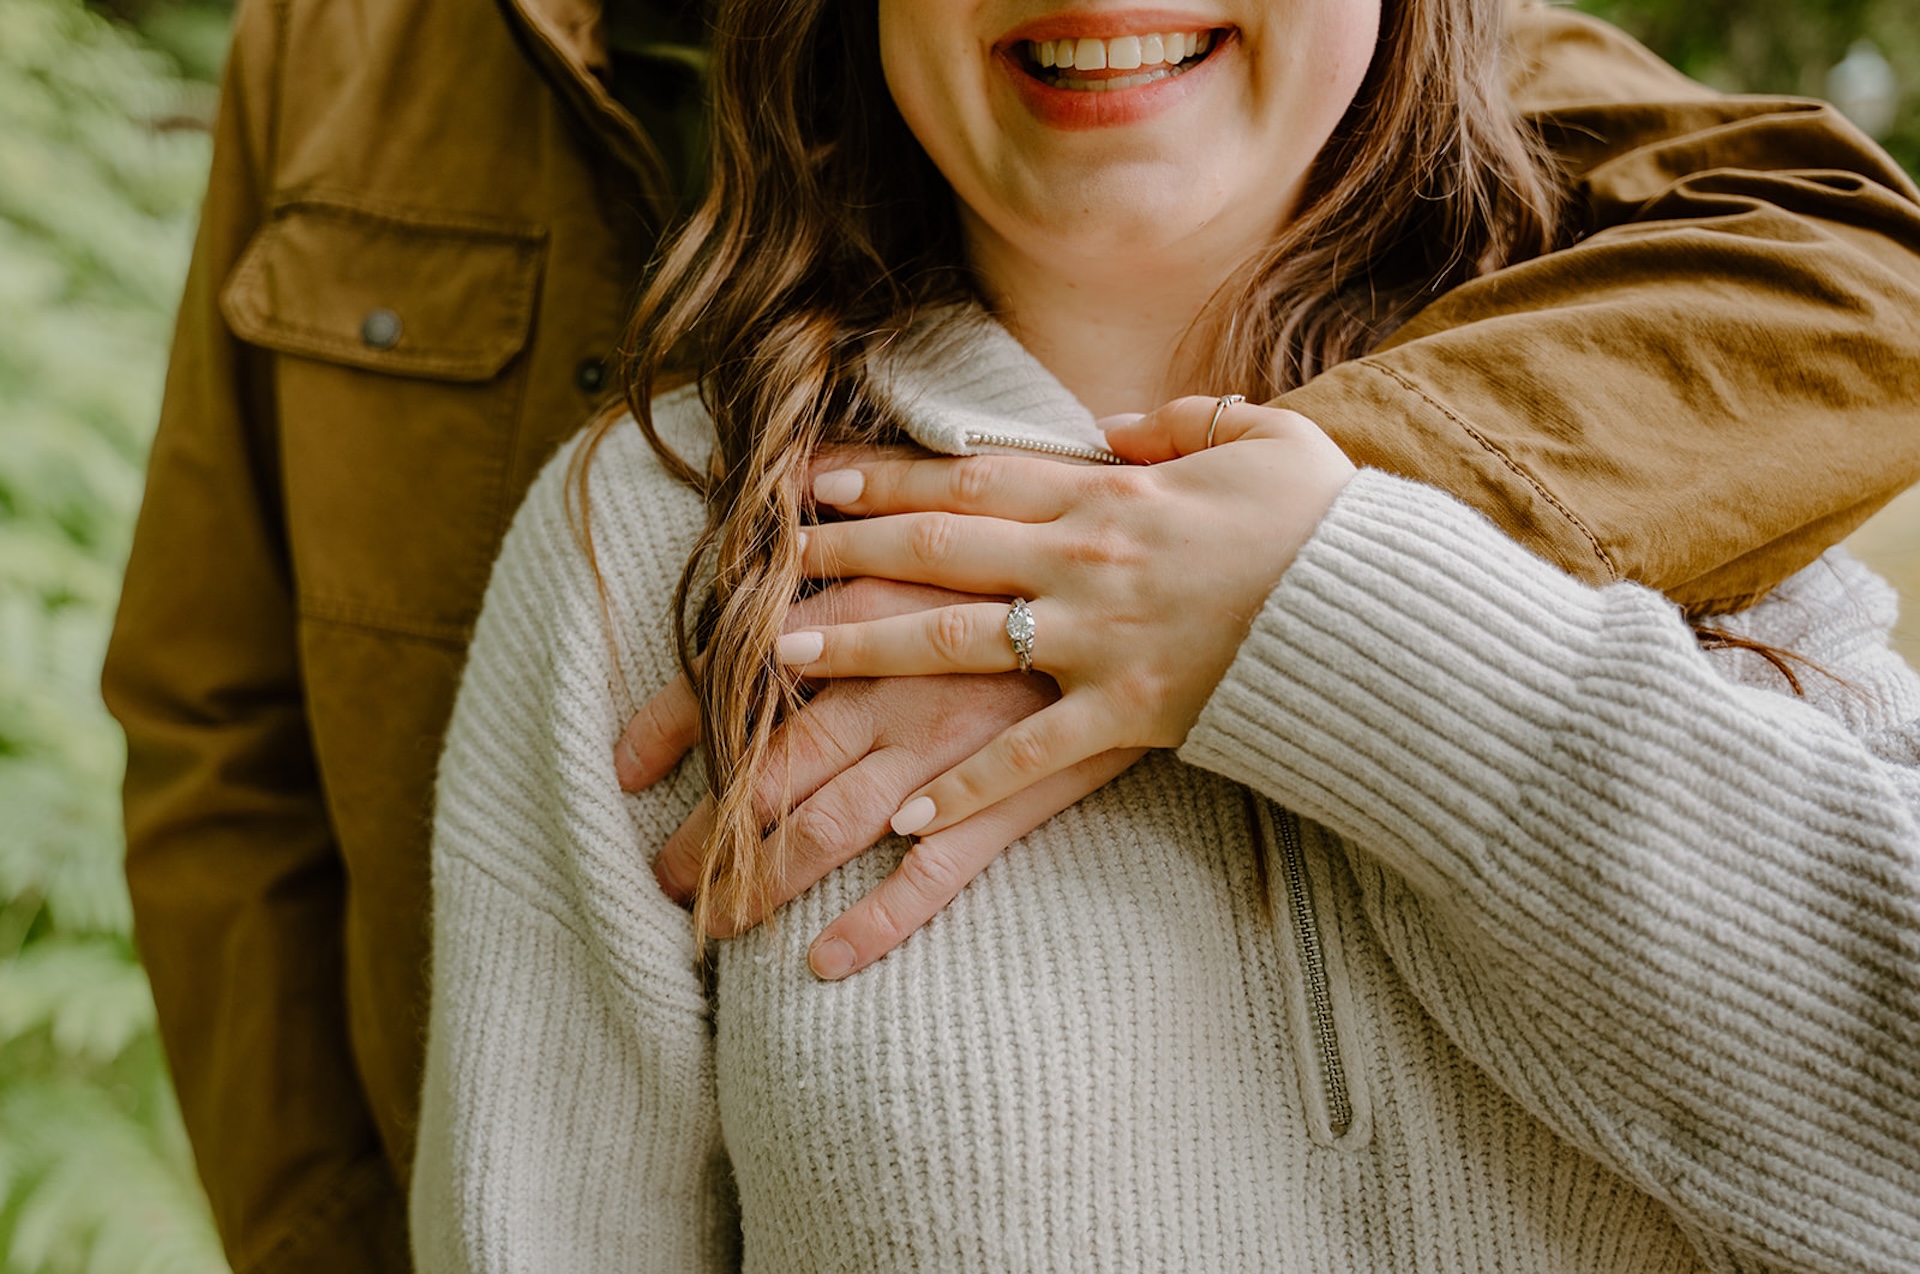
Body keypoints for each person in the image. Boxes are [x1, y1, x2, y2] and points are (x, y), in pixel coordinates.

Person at [102, 1, 1920, 1272]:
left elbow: (1855, 252)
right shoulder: (628, 542)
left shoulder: (1665, 428)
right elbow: (217, 727)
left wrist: (1291, 584)